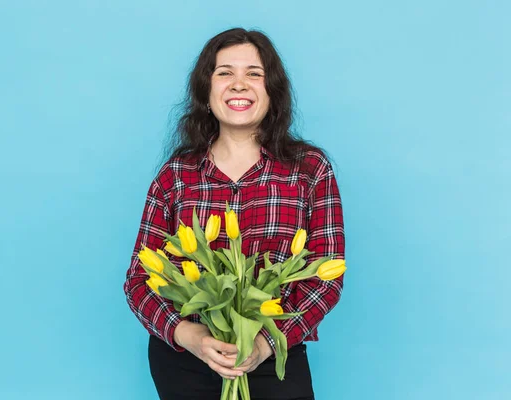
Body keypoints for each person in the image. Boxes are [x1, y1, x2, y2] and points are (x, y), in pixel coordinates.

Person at [123, 27, 345, 400]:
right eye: (224, 72)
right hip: (186, 361)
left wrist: (264, 344)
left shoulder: (309, 169)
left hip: (275, 355)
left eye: (254, 74)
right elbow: (139, 280)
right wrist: (188, 335)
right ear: (206, 92)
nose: (239, 84)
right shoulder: (176, 175)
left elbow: (326, 277)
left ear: (272, 92)